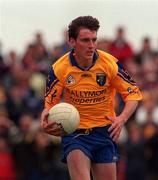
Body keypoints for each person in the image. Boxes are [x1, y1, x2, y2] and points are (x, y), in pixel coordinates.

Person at [41, 16, 142, 180]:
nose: (91, 45)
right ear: (72, 41)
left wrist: (122, 118)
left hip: (104, 132)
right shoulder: (59, 68)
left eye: (94, 40)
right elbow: (48, 105)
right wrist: (45, 120)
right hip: (74, 133)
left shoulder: (110, 63)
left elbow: (133, 94)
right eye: (85, 40)